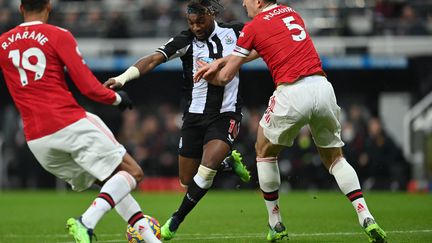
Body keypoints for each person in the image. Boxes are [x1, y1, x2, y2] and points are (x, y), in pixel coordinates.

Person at [194, 0, 387, 242]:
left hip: (292, 91)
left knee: (263, 149)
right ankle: (365, 215)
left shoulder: (253, 27)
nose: (243, 4)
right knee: (336, 158)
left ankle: (275, 223)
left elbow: (224, 78)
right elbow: (261, 49)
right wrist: (220, 61)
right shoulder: (291, 13)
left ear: (259, 1)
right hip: (322, 88)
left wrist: (206, 73)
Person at [0, 1, 160, 243]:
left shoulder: (3, 43)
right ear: (49, 6)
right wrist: (117, 98)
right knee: (133, 173)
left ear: (21, 8)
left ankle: (151, 241)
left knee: (113, 180)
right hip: (68, 122)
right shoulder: (58, 35)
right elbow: (88, 86)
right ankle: (86, 221)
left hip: (36, 139)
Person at [104, 0, 254, 240]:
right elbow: (153, 59)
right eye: (191, 22)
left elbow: (264, 40)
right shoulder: (185, 41)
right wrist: (122, 79)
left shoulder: (235, 31)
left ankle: (174, 222)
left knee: (204, 174)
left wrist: (240, 60)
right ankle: (225, 163)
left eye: (200, 21)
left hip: (226, 115)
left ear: (211, 15)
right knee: (187, 180)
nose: (195, 27)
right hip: (194, 118)